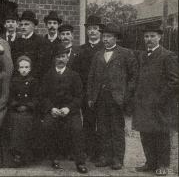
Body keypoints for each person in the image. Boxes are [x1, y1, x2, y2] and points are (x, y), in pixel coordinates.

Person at [87, 23, 137, 170]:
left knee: (117, 128)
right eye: (104, 36)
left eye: (109, 36)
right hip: (100, 97)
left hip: (117, 98)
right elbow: (91, 77)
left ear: (116, 38)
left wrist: (126, 95)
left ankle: (117, 159)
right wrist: (91, 96)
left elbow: (134, 77)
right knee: (102, 128)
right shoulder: (98, 55)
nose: (105, 39)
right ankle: (105, 156)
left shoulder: (126, 53)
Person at [133, 24, 179, 177]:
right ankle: (150, 162)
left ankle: (163, 165)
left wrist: (160, 99)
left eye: (152, 36)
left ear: (159, 37)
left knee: (161, 134)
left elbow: (174, 81)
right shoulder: (142, 56)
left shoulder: (168, 55)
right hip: (144, 103)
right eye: (146, 36)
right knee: (146, 133)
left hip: (161, 104)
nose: (149, 39)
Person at [39, 44, 88, 174]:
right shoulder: (48, 75)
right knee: (48, 126)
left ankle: (80, 162)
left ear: (67, 59)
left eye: (64, 57)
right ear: (54, 59)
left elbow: (79, 96)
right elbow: (43, 96)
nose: (61, 59)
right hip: (54, 110)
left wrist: (68, 108)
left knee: (77, 129)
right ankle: (54, 157)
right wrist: (51, 108)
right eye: (58, 57)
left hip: (70, 112)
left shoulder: (74, 75)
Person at [72, 14, 105, 162]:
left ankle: (101, 154)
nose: (92, 32)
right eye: (89, 29)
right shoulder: (81, 50)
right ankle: (89, 151)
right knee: (88, 121)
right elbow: (76, 73)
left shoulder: (105, 48)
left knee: (102, 122)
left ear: (100, 31)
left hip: (102, 93)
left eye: (95, 29)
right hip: (86, 92)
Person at [3, 56, 39, 166]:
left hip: (29, 110)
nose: (24, 69)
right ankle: (15, 154)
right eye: (21, 67)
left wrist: (28, 106)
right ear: (18, 69)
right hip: (15, 109)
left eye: (26, 67)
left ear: (30, 69)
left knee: (26, 122)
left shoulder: (34, 81)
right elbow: (10, 97)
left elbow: (36, 98)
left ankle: (24, 154)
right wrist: (16, 105)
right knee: (13, 121)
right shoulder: (14, 81)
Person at [13, 10, 48, 78]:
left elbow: (42, 64)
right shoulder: (16, 42)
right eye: (21, 25)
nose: (23, 27)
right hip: (19, 79)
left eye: (26, 24)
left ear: (33, 26)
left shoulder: (41, 41)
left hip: (34, 79)